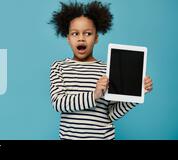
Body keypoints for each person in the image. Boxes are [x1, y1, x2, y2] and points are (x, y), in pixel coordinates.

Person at [49, 1, 153, 140]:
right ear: (68, 38)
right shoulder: (58, 67)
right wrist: (94, 95)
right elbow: (59, 103)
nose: (81, 38)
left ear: (96, 38)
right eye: (75, 34)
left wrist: (136, 93)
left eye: (88, 33)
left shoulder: (107, 70)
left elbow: (111, 114)